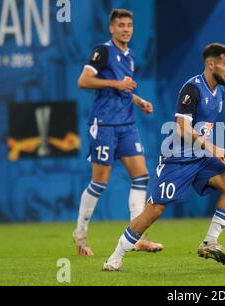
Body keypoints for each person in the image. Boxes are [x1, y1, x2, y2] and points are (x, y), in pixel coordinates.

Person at [102, 43, 225, 271]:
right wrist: (213, 147)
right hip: (177, 160)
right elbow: (182, 129)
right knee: (155, 211)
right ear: (211, 64)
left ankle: (209, 242)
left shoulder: (221, 90)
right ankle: (115, 256)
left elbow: (203, 126)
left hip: (201, 158)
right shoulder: (192, 89)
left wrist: (211, 150)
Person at [72, 9, 163, 256]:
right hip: (103, 124)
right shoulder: (103, 51)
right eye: (121, 25)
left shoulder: (130, 55)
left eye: (129, 25)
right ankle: (80, 234)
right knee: (100, 181)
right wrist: (117, 84)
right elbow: (83, 81)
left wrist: (138, 100)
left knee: (141, 176)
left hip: (126, 124)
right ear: (111, 28)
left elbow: (123, 88)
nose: (126, 29)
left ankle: (138, 235)